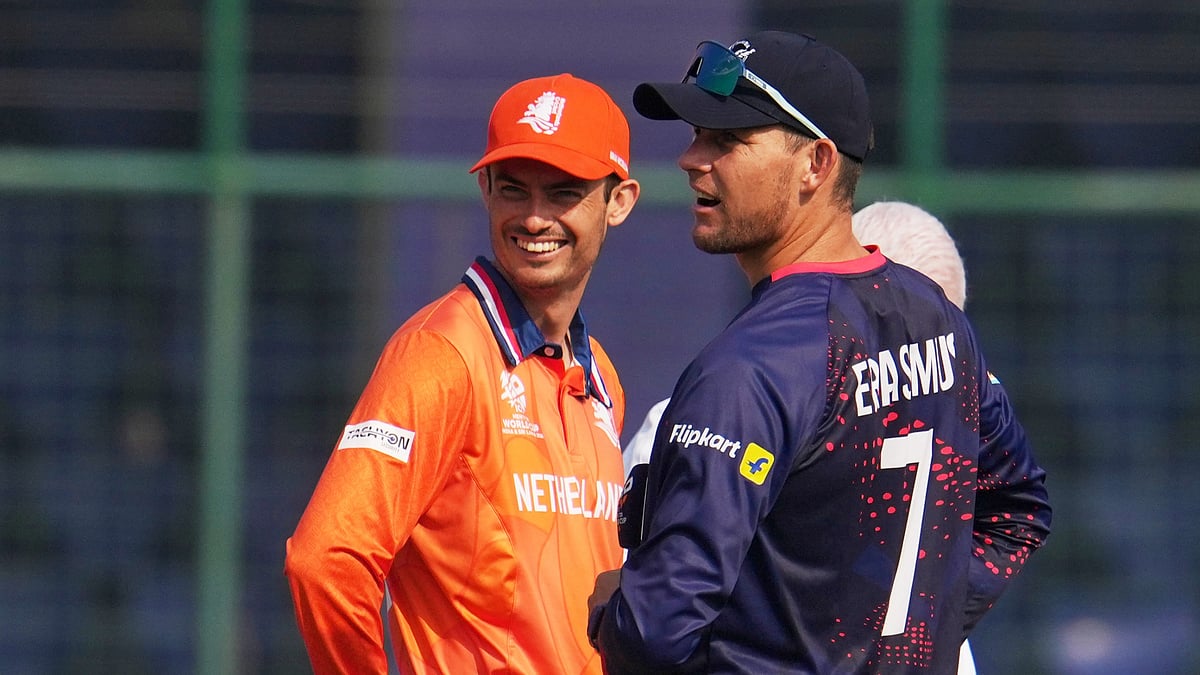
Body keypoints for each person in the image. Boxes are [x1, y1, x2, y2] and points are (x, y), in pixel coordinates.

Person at [587, 31, 1051, 673]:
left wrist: (610, 612)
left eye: (728, 140)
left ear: (817, 163)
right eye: (696, 134)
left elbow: (655, 633)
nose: (692, 158)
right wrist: (906, 634)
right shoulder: (938, 318)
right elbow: (1019, 510)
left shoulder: (749, 368)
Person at [285, 73, 641, 675]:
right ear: (484, 190)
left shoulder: (599, 374)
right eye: (512, 190)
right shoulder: (440, 353)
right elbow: (325, 559)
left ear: (619, 201)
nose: (533, 218)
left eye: (563, 193)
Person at [619, 200, 983, 673]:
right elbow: (654, 616)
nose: (908, 361)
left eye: (929, 341)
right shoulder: (699, 422)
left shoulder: (958, 425)